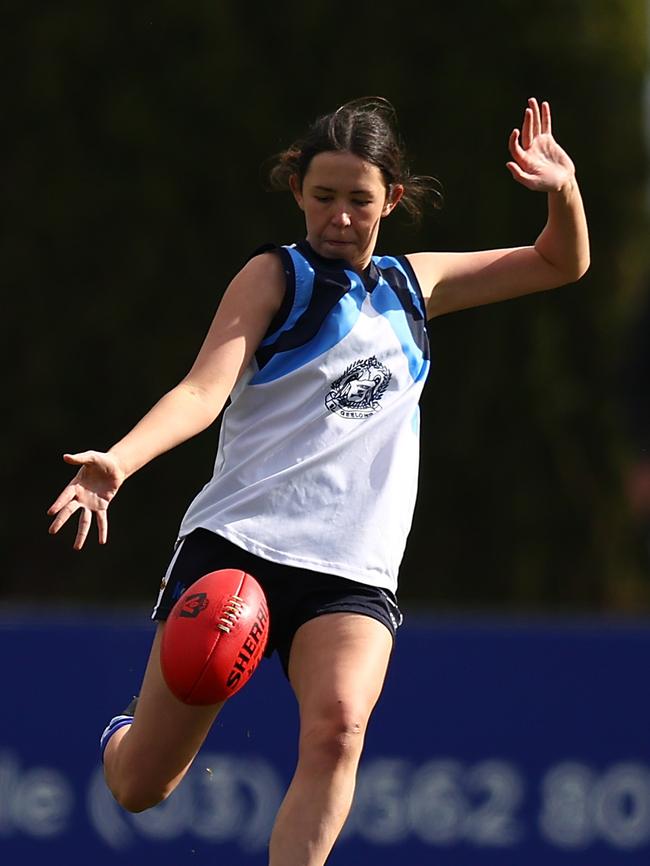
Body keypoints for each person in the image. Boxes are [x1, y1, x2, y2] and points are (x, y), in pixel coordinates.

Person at [48, 96, 589, 866]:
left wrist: (562, 190)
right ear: (298, 189)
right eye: (324, 196)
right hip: (239, 548)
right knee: (142, 788)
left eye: (359, 200)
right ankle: (122, 737)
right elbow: (204, 391)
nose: (339, 217)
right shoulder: (276, 276)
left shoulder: (414, 286)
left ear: (391, 201)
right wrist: (119, 462)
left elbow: (560, 262)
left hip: (351, 569)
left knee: (339, 730)